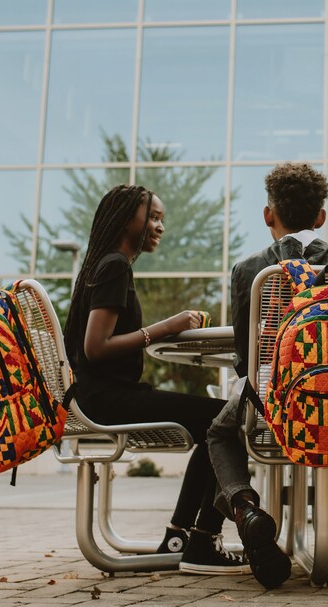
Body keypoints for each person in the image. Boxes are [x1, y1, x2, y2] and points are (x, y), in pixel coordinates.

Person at [63, 184, 249, 576]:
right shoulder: (113, 265)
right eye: (152, 217)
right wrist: (164, 328)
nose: (159, 226)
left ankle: (185, 537)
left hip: (101, 396)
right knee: (226, 420)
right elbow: (96, 347)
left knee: (219, 420)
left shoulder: (107, 264)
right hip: (108, 399)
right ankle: (199, 541)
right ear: (125, 218)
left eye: (161, 218)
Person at [207, 162, 328, 588]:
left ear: (268, 215)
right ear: (321, 217)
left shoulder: (249, 269)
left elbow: (246, 356)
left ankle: (246, 509)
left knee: (220, 433)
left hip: (271, 400)